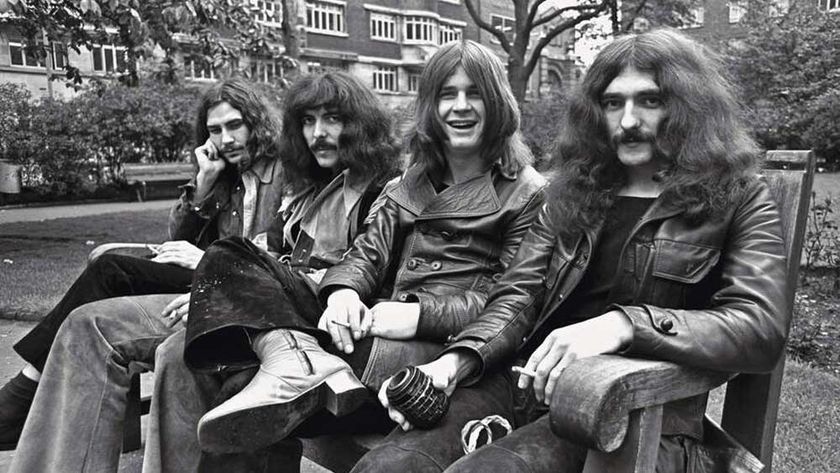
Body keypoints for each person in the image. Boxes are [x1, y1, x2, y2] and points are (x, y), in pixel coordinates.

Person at [358, 28, 790, 473]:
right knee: (388, 467)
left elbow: (759, 326)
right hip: (524, 389)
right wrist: (457, 361)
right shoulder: (573, 192)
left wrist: (624, 325)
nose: (628, 121)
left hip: (632, 415)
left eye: (650, 100)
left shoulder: (737, 198)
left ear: (687, 106)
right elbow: (517, 296)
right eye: (613, 103)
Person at [146, 39, 546, 473]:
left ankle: (296, 359)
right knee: (229, 256)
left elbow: (512, 302)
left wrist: (415, 315)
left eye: (475, 94)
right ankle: (294, 357)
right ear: (431, 106)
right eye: (447, 94)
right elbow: (365, 255)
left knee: (241, 384)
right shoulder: (411, 182)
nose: (460, 107)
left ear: (498, 102)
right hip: (369, 333)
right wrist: (343, 294)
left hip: (436, 353)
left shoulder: (526, 192)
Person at [5, 78, 308, 473]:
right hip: (205, 281)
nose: (226, 139)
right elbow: (176, 238)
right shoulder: (224, 174)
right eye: (215, 130)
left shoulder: (285, 172)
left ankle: (23, 391)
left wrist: (207, 258)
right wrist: (204, 181)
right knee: (107, 272)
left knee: (109, 269)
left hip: (241, 290)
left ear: (256, 123)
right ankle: (25, 390)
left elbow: (281, 257)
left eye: (235, 125)